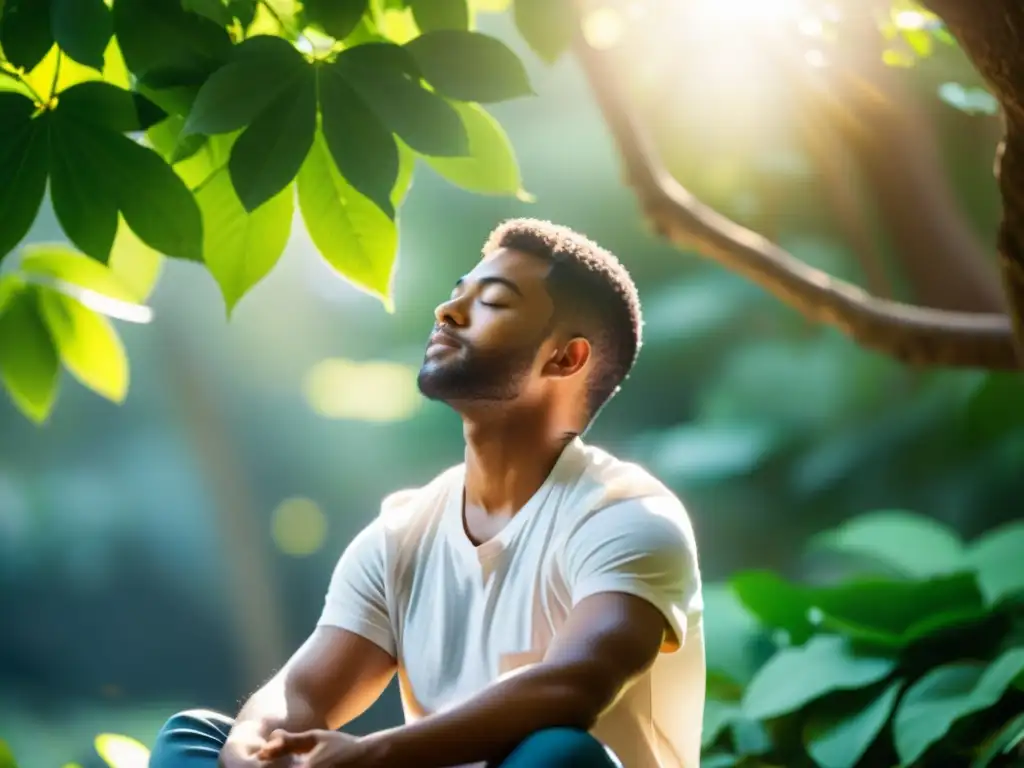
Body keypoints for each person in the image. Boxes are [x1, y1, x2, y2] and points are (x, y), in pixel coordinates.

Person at [149, 219, 705, 768]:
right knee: (196, 738)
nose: (448, 312)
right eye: (456, 293)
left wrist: (373, 755)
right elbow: (302, 694)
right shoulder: (402, 535)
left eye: (494, 301)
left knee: (558, 753)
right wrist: (252, 744)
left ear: (565, 358)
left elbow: (573, 686)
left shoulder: (628, 517)